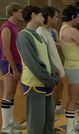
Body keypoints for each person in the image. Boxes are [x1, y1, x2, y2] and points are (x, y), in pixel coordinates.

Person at [16, 5, 59, 134]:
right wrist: (50, 80)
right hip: (34, 84)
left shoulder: (38, 35)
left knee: (48, 121)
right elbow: (33, 63)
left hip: (46, 83)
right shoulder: (24, 36)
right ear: (33, 15)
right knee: (36, 123)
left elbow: (47, 59)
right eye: (41, 15)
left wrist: (53, 75)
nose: (43, 17)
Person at [59, 5, 79, 133]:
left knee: (74, 98)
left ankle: (74, 124)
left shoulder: (62, 29)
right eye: (78, 17)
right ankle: (70, 129)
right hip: (75, 67)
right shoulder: (72, 31)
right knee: (73, 99)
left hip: (70, 65)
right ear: (73, 17)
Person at [0, 2, 25, 133]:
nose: (22, 14)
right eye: (20, 12)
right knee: (7, 93)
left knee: (12, 95)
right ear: (14, 12)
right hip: (9, 64)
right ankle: (5, 126)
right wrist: (14, 68)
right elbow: (5, 49)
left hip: (16, 63)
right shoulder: (6, 27)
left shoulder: (15, 27)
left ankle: (10, 122)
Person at [36, 6, 65, 115]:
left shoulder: (48, 31)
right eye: (56, 17)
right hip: (51, 72)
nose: (58, 19)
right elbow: (42, 55)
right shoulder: (40, 32)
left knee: (53, 101)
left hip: (55, 71)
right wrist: (53, 67)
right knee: (49, 102)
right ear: (49, 17)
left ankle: (50, 124)